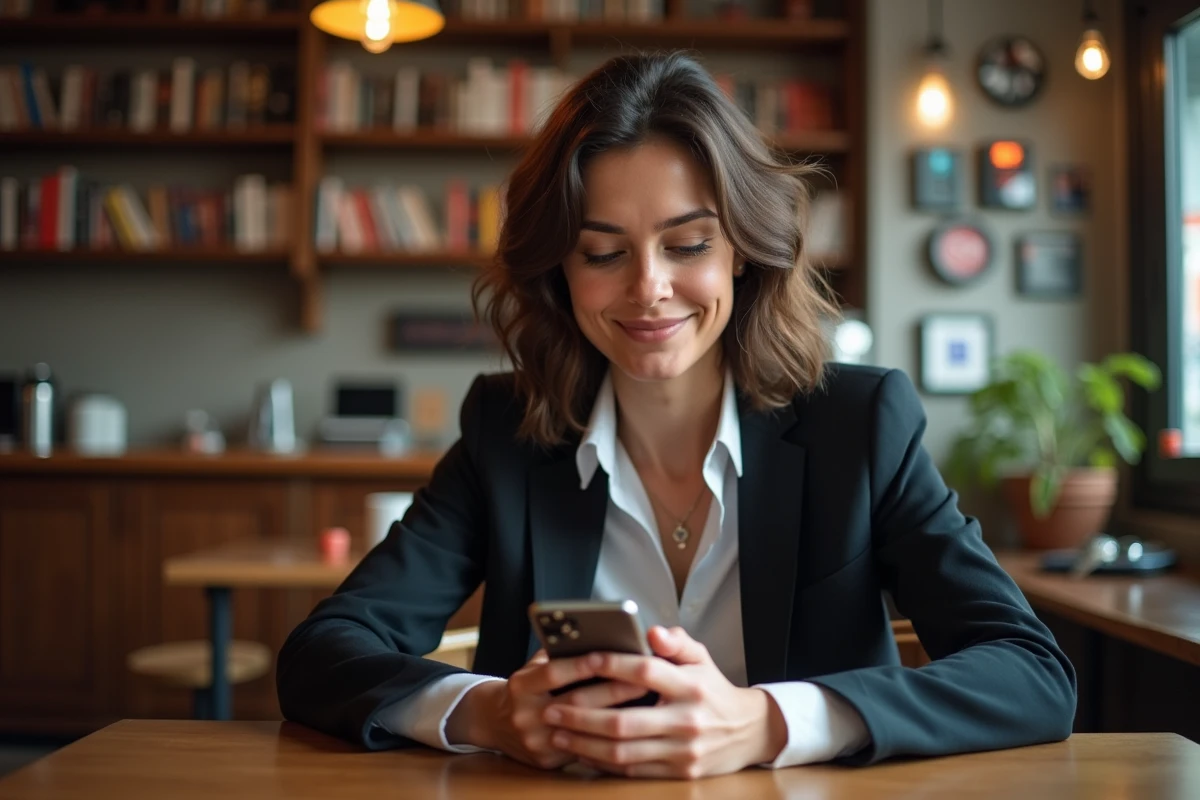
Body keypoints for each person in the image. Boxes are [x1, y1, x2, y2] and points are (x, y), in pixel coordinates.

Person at [277, 51, 1076, 778]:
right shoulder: (506, 432)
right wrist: (487, 710)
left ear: (743, 251)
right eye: (603, 252)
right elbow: (321, 655)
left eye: (688, 245)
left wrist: (765, 722)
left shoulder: (859, 426)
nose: (648, 287)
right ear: (560, 270)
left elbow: (1031, 673)